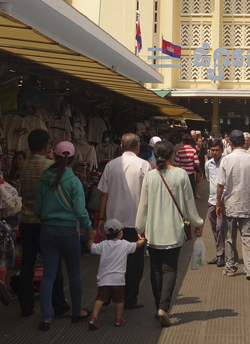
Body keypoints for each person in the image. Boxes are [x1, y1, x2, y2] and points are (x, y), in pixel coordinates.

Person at [136, 140, 203, 325]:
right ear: (172, 155)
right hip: (173, 231)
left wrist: (139, 228)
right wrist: (198, 223)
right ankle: (163, 308)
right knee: (170, 268)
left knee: (156, 269)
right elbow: (190, 203)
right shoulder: (181, 174)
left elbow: (143, 205)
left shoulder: (150, 176)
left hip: (154, 231)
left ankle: (159, 306)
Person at [34, 141, 91, 330]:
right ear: (73, 159)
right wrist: (88, 227)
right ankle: (77, 312)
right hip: (68, 232)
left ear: (55, 156)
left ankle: (46, 317)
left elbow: (38, 209)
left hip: (48, 231)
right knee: (74, 273)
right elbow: (80, 211)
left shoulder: (44, 178)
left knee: (49, 275)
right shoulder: (74, 181)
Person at [15, 129, 70, 319]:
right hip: (46, 222)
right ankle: (60, 306)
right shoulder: (50, 166)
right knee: (52, 265)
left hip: (26, 220)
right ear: (46, 146)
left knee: (27, 265)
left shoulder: (23, 166)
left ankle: (26, 305)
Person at [96, 133, 150, 311]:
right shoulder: (144, 165)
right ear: (137, 147)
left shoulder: (111, 165)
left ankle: (107, 294)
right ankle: (130, 298)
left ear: (120, 146)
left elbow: (104, 193)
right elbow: (149, 193)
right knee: (134, 262)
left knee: (111, 259)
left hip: (113, 221)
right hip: (136, 222)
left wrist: (101, 217)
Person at [217, 130, 250, 279]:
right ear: (244, 142)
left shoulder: (226, 160)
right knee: (248, 237)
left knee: (230, 237)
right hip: (247, 204)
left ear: (231, 143)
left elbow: (220, 185)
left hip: (230, 204)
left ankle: (231, 267)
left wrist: (218, 203)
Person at [87, 219, 145, 328]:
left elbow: (91, 248)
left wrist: (91, 238)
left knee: (100, 298)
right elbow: (137, 245)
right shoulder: (125, 245)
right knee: (119, 300)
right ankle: (118, 319)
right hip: (119, 280)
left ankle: (94, 317)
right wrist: (141, 238)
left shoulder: (103, 245)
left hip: (104, 280)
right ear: (120, 233)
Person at [204, 138, 226, 266]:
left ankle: (220, 254)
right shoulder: (208, 164)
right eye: (212, 150)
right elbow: (208, 179)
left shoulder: (226, 162)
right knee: (214, 228)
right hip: (211, 200)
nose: (214, 152)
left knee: (220, 227)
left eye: (217, 150)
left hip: (223, 200)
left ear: (222, 150)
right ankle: (220, 252)